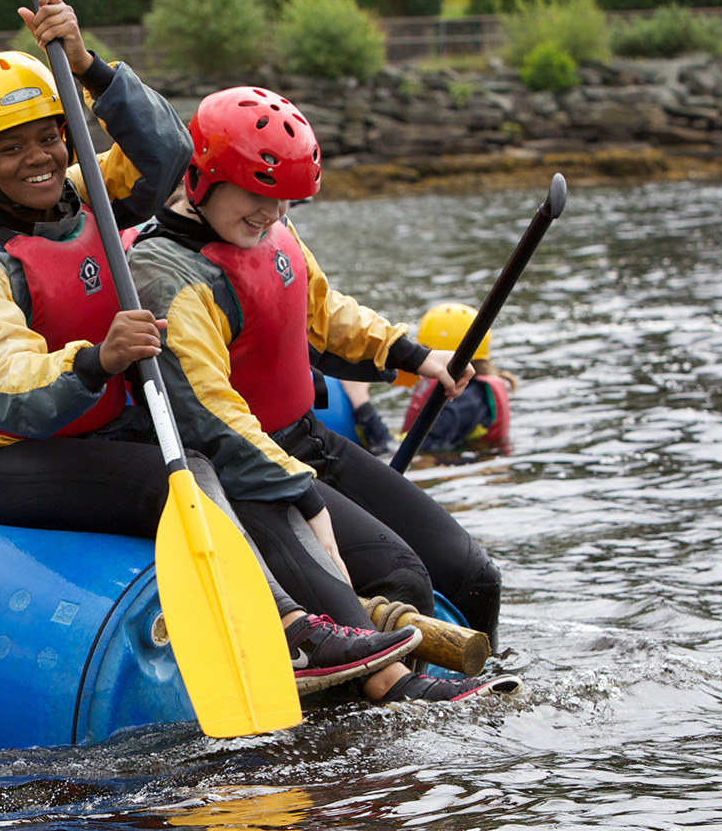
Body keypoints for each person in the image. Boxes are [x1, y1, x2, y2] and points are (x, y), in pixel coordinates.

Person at [0, 0, 419, 695]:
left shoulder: (83, 192)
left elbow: (168, 152)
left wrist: (89, 67)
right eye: (9, 147)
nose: (36, 158)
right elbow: (7, 388)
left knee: (212, 455)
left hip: (102, 434)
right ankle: (285, 633)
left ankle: (343, 644)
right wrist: (98, 358)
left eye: (47, 136)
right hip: (0, 459)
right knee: (174, 475)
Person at [126, 86, 519, 704]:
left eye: (285, 199)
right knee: (400, 573)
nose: (274, 214)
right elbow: (210, 412)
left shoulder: (274, 232)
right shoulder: (165, 273)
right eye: (259, 194)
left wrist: (415, 356)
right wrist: (304, 493)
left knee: (472, 573)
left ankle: (476, 682)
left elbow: (324, 314)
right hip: (242, 472)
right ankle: (391, 710)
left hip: (306, 439)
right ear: (202, 178)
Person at [399, 303, 517, 456]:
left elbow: (417, 451)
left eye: (424, 351)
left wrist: (363, 404)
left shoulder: (465, 402)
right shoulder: (470, 392)